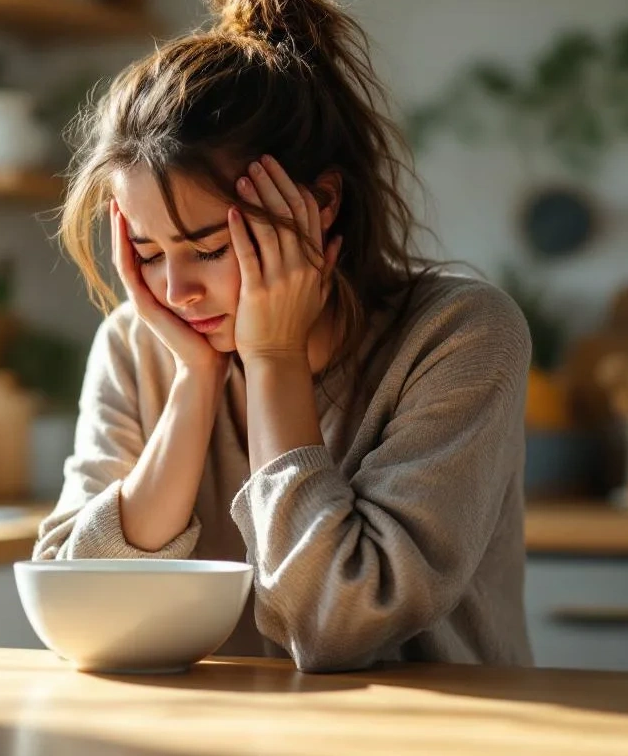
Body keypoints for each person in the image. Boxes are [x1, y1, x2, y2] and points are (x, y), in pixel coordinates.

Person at [33, 0, 533, 673]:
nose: (176, 293)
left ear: (320, 205)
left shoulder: (459, 337)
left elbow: (339, 624)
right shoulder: (139, 343)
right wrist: (195, 383)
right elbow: (78, 607)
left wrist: (273, 359)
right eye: (149, 252)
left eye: (209, 247)